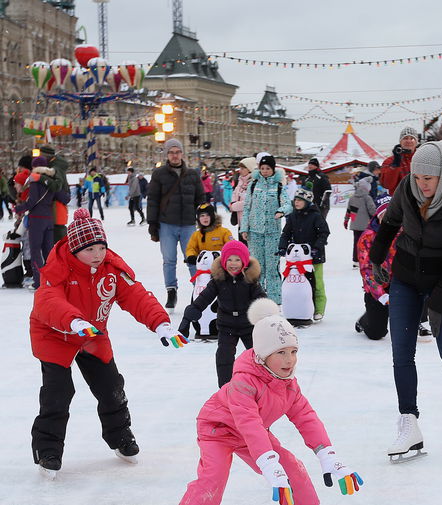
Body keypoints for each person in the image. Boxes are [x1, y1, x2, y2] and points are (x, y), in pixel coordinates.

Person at [30, 208, 188, 477]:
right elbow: (48, 303)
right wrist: (74, 321)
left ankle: (120, 437)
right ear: (75, 249)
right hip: (55, 335)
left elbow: (136, 296)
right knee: (59, 393)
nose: (97, 254)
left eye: (101, 247)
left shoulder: (111, 269)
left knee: (111, 387)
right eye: (90, 249)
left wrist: (161, 324)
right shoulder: (58, 268)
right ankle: (48, 451)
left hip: (92, 335)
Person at [178, 298, 362, 505]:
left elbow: (306, 417)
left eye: (293, 351)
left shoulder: (288, 384)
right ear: (262, 356)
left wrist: (327, 454)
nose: (289, 360)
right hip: (218, 430)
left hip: (253, 434)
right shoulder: (244, 381)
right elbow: (249, 423)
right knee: (212, 481)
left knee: (294, 470)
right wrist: (268, 462)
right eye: (281, 353)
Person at [369, 140, 442, 461]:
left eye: (428, 179)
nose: (421, 184)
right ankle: (409, 424)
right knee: (401, 353)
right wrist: (377, 256)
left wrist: (438, 303)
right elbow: (391, 221)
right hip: (406, 278)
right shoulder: (408, 188)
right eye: (417, 177)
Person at [179, 240, 265, 387]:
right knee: (223, 357)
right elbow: (203, 299)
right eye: (229, 259)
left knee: (259, 357)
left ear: (244, 261)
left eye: (237, 260)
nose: (233, 263)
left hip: (248, 325)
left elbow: (262, 301)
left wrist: (271, 319)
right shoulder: (218, 280)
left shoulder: (250, 280)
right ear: (224, 261)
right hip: (227, 326)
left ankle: (263, 386)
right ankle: (226, 389)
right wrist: (187, 320)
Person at [147, 138, 206, 309]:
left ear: (182, 153)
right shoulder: (159, 174)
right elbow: (153, 200)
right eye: (171, 152)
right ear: (167, 154)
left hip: (188, 223)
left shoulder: (193, 174)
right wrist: (152, 223)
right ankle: (171, 291)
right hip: (167, 224)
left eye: (177, 152)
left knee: (192, 258)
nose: (175, 155)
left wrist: (204, 218)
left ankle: (199, 290)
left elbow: (200, 198)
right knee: (169, 260)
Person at [16, 156, 71, 289]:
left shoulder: (35, 180)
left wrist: (18, 208)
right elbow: (64, 197)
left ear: (35, 167)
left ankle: (38, 282)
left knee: (35, 252)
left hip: (37, 221)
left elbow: (32, 201)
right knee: (48, 252)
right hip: (49, 221)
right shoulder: (51, 181)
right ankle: (51, 280)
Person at [240, 155, 288, 304]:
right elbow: (247, 207)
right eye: (262, 168)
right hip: (255, 232)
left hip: (272, 232)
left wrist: (281, 211)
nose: (265, 171)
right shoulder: (254, 185)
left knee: (272, 267)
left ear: (273, 169)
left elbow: (288, 204)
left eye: (268, 168)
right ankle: (257, 298)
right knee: (257, 267)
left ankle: (274, 299)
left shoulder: (279, 186)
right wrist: (244, 228)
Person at [278, 187, 330, 321]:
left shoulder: (315, 216)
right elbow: (286, 234)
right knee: (299, 284)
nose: (296, 202)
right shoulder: (292, 216)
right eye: (295, 199)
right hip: (297, 257)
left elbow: (324, 232)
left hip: (314, 256)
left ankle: (318, 309)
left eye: (300, 200)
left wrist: (316, 247)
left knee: (317, 283)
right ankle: (299, 308)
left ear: (307, 202)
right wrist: (283, 247)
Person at [356, 198, 395, 340]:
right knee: (376, 333)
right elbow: (366, 270)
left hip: (398, 282)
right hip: (376, 287)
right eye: (386, 215)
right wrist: (381, 295)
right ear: (379, 216)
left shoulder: (404, 233)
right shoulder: (367, 237)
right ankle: (365, 320)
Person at [345, 177, 377, 267]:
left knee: (356, 243)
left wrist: (346, 220)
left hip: (355, 225)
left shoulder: (352, 198)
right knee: (366, 243)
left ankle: (356, 260)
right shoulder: (367, 198)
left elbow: (349, 211)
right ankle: (365, 259)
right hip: (365, 226)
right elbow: (372, 211)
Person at [380, 126, 418, 194]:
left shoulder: (421, 159)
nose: (409, 141)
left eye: (412, 138)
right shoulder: (390, 161)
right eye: (405, 138)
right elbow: (387, 184)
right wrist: (396, 163)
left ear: (416, 142)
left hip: (419, 201)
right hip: (399, 201)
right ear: (400, 142)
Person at [229, 157, 257, 239]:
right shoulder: (240, 181)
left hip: (250, 223)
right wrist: (232, 203)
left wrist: (234, 206)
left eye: (242, 168)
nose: (239, 170)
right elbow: (234, 194)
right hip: (241, 222)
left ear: (249, 169)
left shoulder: (254, 182)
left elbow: (249, 202)